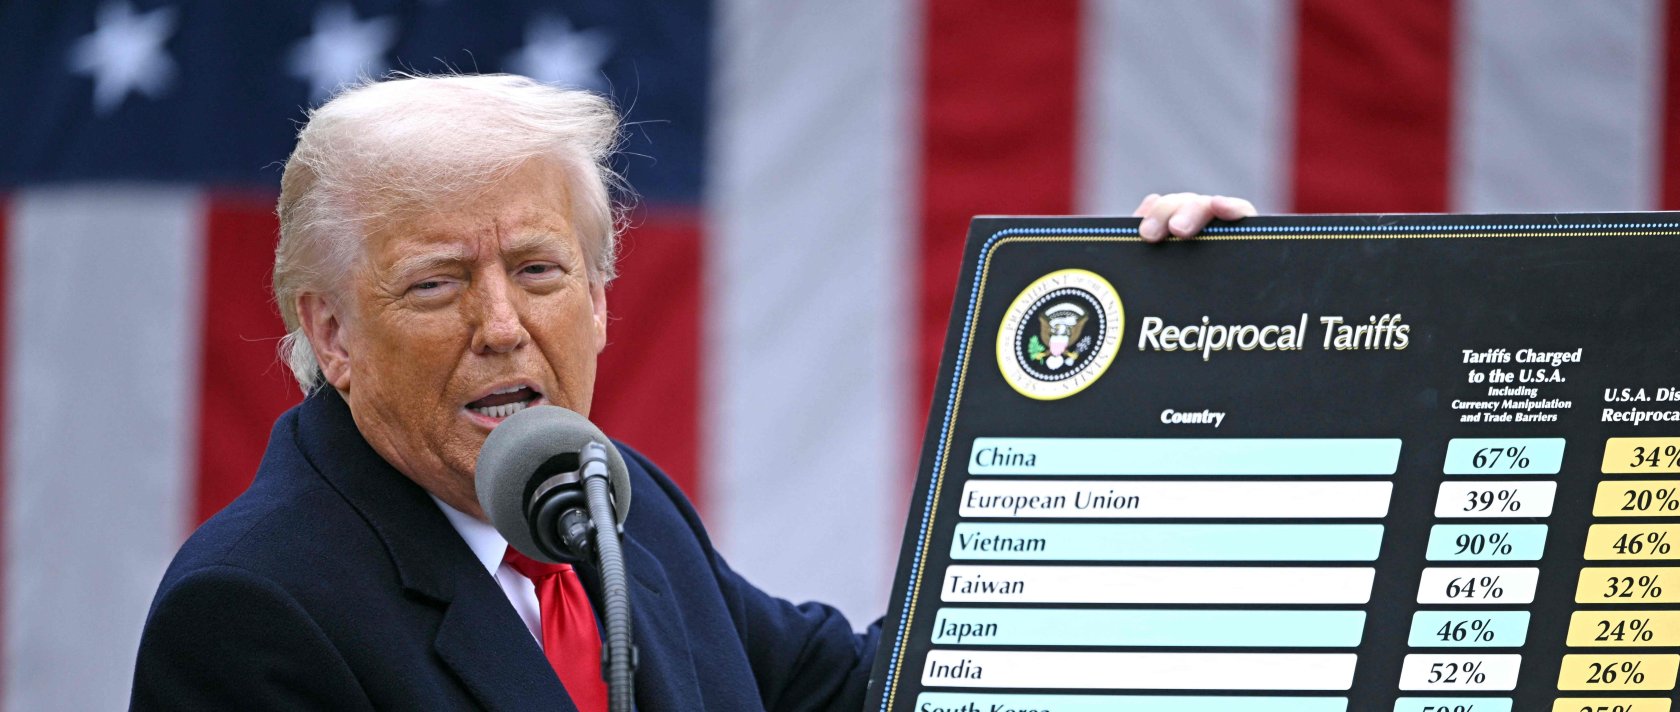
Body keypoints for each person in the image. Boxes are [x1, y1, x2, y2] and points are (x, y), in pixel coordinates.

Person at [128, 74, 1256, 710]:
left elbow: (866, 690)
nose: (503, 324)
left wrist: (1165, 367)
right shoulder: (251, 609)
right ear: (331, 332)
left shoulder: (611, 504)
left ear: (604, 298)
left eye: (538, 270)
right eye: (436, 284)